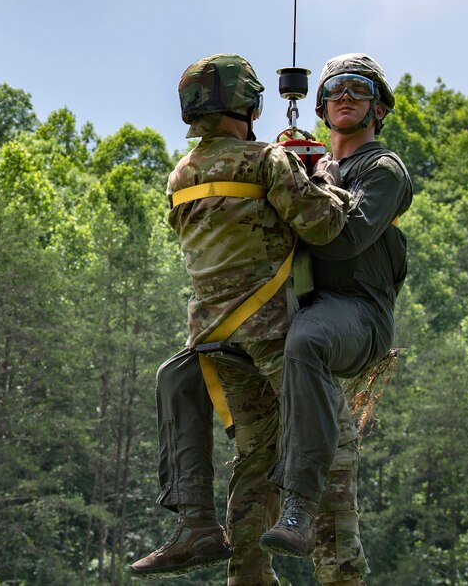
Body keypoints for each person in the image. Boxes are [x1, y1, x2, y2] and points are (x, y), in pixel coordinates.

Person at [129, 53, 350, 585]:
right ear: (246, 102)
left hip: (213, 341)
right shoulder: (265, 161)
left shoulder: (180, 175)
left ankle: (236, 566)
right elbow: (324, 227)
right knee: (329, 437)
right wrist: (325, 175)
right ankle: (315, 536)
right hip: (271, 334)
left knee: (254, 457)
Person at [261, 53, 413, 560]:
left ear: (379, 109)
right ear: (322, 107)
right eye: (335, 90)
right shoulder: (311, 166)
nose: (345, 95)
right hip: (304, 302)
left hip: (358, 314)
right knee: (190, 362)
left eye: (358, 88)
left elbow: (345, 238)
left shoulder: (382, 170)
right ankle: (195, 519)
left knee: (308, 340)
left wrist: (299, 187)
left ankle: (300, 505)